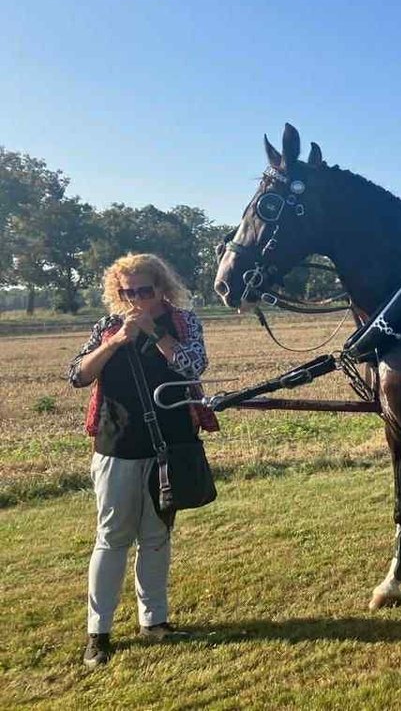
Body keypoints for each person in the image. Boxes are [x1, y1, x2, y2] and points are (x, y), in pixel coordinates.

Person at [67, 253, 217, 668]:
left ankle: (155, 621)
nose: (134, 299)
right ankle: (98, 633)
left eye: (143, 291)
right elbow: (78, 375)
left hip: (171, 444)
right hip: (117, 444)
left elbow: (194, 366)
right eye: (126, 292)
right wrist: (115, 342)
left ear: (161, 289)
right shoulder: (106, 328)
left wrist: (154, 334)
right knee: (112, 536)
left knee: (156, 536)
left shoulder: (184, 323)